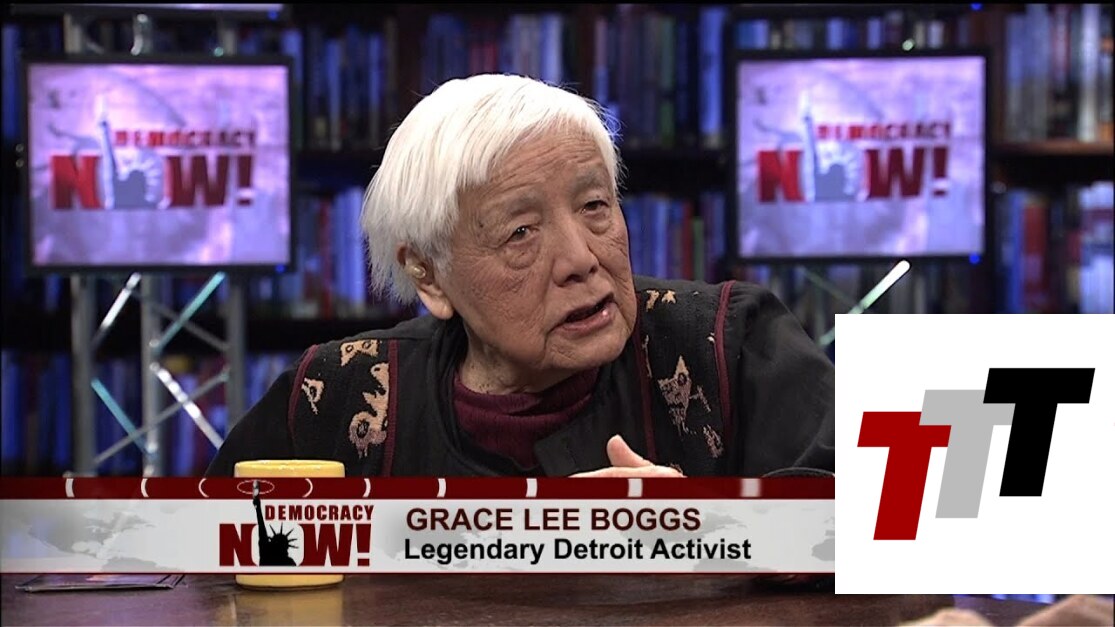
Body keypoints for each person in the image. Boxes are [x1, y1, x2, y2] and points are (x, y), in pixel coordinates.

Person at [205, 73, 834, 479]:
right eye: (520, 232)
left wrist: (705, 533)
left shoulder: (728, 344)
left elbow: (882, 534)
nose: (581, 259)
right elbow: (199, 569)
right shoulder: (334, 397)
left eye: (595, 206)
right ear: (429, 276)